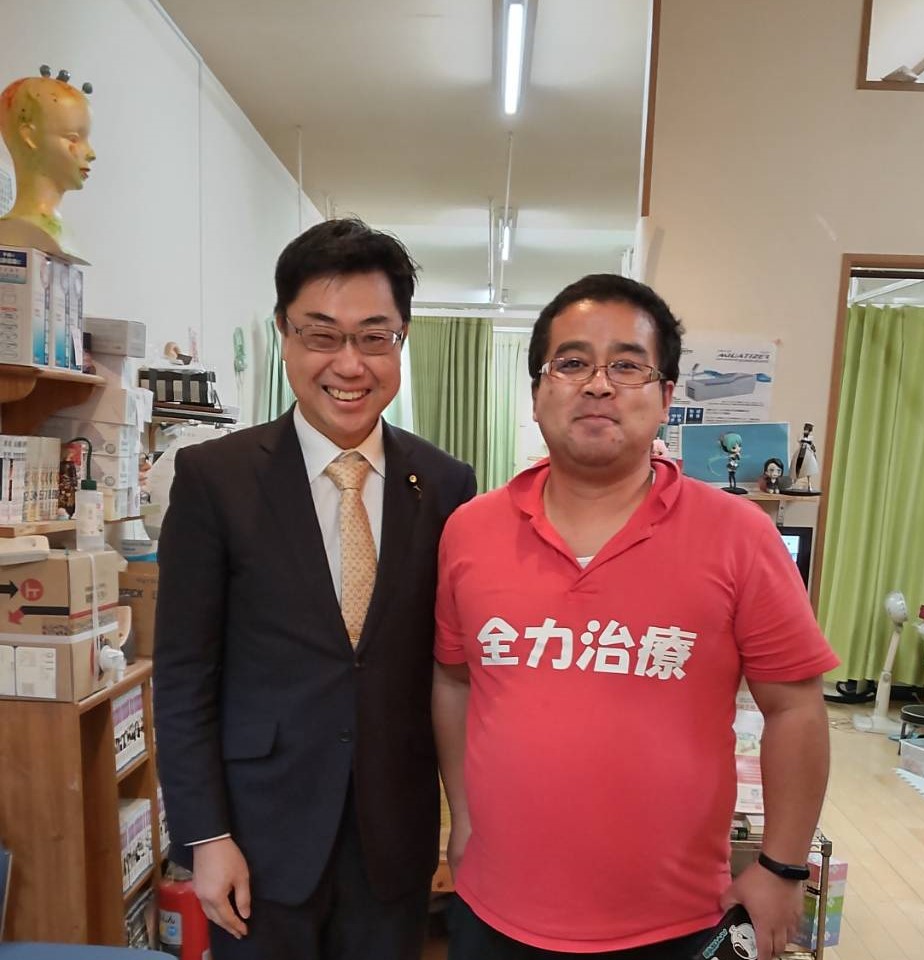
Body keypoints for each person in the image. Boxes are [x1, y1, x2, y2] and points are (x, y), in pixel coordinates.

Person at [433, 273, 838, 960]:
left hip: (674, 920)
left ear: (666, 396)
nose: (598, 385)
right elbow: (453, 680)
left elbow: (795, 707)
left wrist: (781, 865)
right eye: (571, 363)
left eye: (627, 365)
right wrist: (463, 819)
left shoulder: (739, 535)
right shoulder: (469, 531)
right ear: (536, 392)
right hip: (494, 909)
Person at [154, 218, 476, 960]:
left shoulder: (446, 485)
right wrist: (205, 836)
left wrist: (464, 816)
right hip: (256, 836)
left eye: (374, 337)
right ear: (284, 334)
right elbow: (183, 673)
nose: (349, 364)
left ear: (401, 339)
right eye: (322, 335)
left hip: (394, 834)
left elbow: (453, 667)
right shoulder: (215, 479)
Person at [0, 69, 95, 259]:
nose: (91, 154)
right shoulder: (20, 229)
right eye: (73, 139)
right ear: (29, 136)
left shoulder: (62, 235)